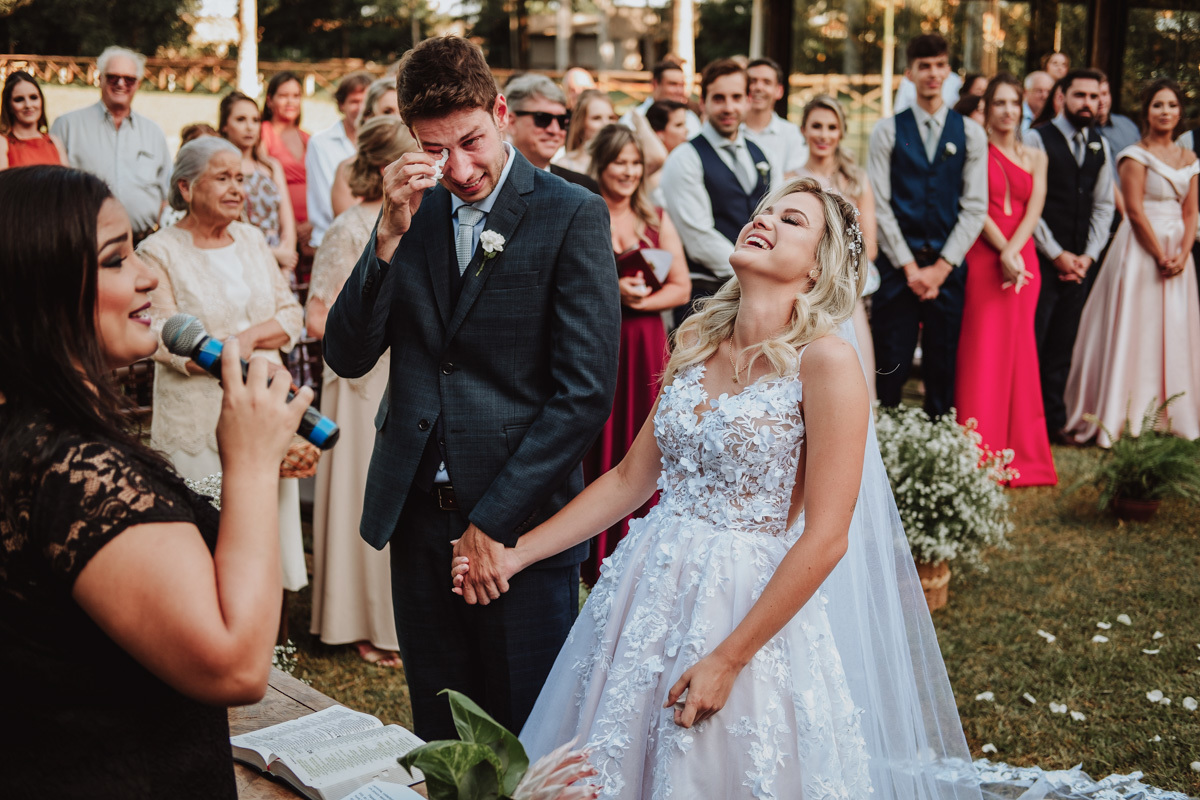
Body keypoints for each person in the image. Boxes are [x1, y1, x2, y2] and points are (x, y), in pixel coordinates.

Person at [453, 178, 982, 800]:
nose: (765, 221)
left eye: (791, 220)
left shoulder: (827, 363)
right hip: (646, 590)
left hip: (745, 602)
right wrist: (516, 553)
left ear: (816, 269)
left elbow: (828, 536)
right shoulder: (696, 341)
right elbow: (629, 480)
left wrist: (730, 659)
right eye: (764, 212)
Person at [322, 35, 620, 740]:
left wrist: (493, 527)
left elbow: (583, 393)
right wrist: (386, 237)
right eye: (434, 149)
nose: (458, 169)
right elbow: (348, 354)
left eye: (471, 142)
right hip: (419, 520)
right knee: (442, 733)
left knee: (527, 736)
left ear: (501, 112)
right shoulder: (411, 212)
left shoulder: (571, 214)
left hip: (522, 529)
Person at [0, 165, 308, 798]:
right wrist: (249, 462)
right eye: (116, 260)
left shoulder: (30, 435)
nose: (146, 276)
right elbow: (236, 666)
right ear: (42, 287)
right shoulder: (75, 473)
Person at [140, 137, 307, 593]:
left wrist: (245, 340)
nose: (237, 188)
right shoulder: (158, 251)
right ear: (186, 187)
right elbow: (161, 335)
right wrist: (230, 357)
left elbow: (291, 315)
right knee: (205, 538)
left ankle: (265, 635)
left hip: (261, 409)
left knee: (263, 532)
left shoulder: (253, 239)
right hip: (196, 415)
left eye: (240, 178)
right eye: (222, 177)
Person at [306, 117, 417, 667]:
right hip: (358, 382)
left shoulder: (423, 221)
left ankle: (400, 615)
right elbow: (316, 315)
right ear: (383, 167)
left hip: (404, 376)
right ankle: (357, 620)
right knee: (361, 497)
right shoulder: (349, 228)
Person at [580, 123, 690, 585]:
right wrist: (612, 292)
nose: (627, 171)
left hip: (645, 338)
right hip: (599, 338)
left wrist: (641, 301)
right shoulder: (584, 212)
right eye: (618, 162)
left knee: (642, 432)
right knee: (598, 431)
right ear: (601, 165)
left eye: (634, 163)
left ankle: (638, 539)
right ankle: (591, 544)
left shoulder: (655, 216)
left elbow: (681, 286)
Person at [1064, 79, 1200, 446]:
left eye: (1171, 105)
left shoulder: (1191, 160)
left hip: (1178, 254)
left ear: (1180, 113)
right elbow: (1135, 212)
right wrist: (1159, 255)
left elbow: (1191, 213)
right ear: (1147, 111)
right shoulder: (1133, 155)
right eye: (1158, 105)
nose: (1165, 112)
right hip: (1142, 251)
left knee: (1173, 328)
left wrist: (1183, 254)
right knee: (1136, 328)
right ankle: (1124, 413)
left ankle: (1171, 414)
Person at [868, 33, 988, 417]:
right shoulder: (887, 131)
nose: (932, 74)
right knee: (892, 359)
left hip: (947, 269)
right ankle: (885, 441)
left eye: (939, 65)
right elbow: (880, 206)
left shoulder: (971, 133)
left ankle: (938, 438)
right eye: (924, 66)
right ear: (910, 73)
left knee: (942, 362)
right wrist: (909, 268)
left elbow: (974, 207)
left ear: (948, 71)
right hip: (897, 268)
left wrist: (939, 269)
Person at [955, 75, 1057, 485]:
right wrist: (1002, 252)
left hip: (1023, 258)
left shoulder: (1037, 156)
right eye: (1000, 103)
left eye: (1014, 103)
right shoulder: (975, 152)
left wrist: (1015, 252)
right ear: (988, 108)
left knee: (1020, 352)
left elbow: (1035, 209)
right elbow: (975, 209)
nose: (1008, 111)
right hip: (985, 257)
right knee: (983, 350)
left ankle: (1023, 454)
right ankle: (979, 453)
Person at [1024, 69, 1115, 444]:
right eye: (1080, 96)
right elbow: (1031, 205)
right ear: (1062, 97)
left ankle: (1054, 420)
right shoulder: (1036, 138)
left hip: (1081, 264)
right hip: (1042, 259)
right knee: (1036, 341)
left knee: (1064, 344)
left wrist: (1088, 257)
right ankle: (1027, 424)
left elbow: (1103, 205)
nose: (1088, 104)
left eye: (1095, 97)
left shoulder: (1100, 144)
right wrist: (1057, 253)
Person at [660, 58, 778, 325]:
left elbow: (777, 216)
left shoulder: (764, 154)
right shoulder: (685, 158)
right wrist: (755, 276)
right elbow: (698, 236)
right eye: (719, 98)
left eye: (736, 97)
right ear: (703, 103)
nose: (729, 107)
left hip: (763, 296)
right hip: (707, 298)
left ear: (748, 100)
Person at [796, 94, 879, 401]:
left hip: (845, 293)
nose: (823, 134)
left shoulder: (856, 181)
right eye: (816, 126)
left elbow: (870, 245)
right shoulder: (791, 179)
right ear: (803, 129)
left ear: (841, 132)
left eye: (832, 127)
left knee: (856, 381)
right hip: (804, 292)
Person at [51, 46, 172, 243]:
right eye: (113, 77)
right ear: (100, 79)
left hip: (142, 244)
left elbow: (167, 193)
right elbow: (52, 189)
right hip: (85, 243)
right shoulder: (67, 126)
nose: (121, 84)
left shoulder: (153, 132)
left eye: (129, 79)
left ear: (138, 84)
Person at [219, 91, 298, 271]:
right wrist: (274, 255)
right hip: (241, 258)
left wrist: (287, 260)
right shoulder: (220, 169)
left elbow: (287, 219)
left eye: (255, 120)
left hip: (280, 258)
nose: (249, 127)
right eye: (241, 119)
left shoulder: (270, 166)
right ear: (224, 125)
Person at [306, 71, 374, 249]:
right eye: (354, 101)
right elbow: (327, 200)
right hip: (332, 241)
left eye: (365, 101)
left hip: (373, 239)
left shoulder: (379, 142)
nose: (361, 108)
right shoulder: (320, 143)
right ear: (341, 105)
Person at [504, 74, 600, 193]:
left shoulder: (583, 187)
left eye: (561, 120)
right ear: (511, 122)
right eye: (543, 119)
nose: (554, 130)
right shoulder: (491, 186)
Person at [331, 77, 399, 218]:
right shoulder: (348, 170)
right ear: (370, 116)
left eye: (402, 111)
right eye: (388, 111)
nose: (398, 120)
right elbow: (349, 228)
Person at [260, 72, 311, 250]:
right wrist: (290, 226)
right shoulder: (262, 134)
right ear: (269, 100)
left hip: (311, 228)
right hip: (279, 226)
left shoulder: (308, 138)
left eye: (296, 96)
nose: (291, 102)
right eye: (283, 96)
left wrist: (312, 223)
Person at [744, 57, 807, 180]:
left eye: (767, 82)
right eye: (752, 81)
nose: (758, 87)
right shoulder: (730, 131)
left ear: (779, 91)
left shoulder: (793, 134)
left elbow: (794, 181)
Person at [0, 70, 67, 168]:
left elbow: (68, 182)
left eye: (33, 97)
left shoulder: (54, 142)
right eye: (19, 99)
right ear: (9, 106)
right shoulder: (3, 143)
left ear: (41, 100)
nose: (28, 105)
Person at [621, 61, 702, 139]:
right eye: (673, 84)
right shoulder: (632, 119)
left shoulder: (691, 119)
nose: (679, 91)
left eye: (682, 85)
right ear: (655, 84)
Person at [554, 88, 618, 175]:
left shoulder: (623, 164)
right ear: (581, 123)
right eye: (597, 118)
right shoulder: (565, 166)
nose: (606, 124)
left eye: (611, 118)